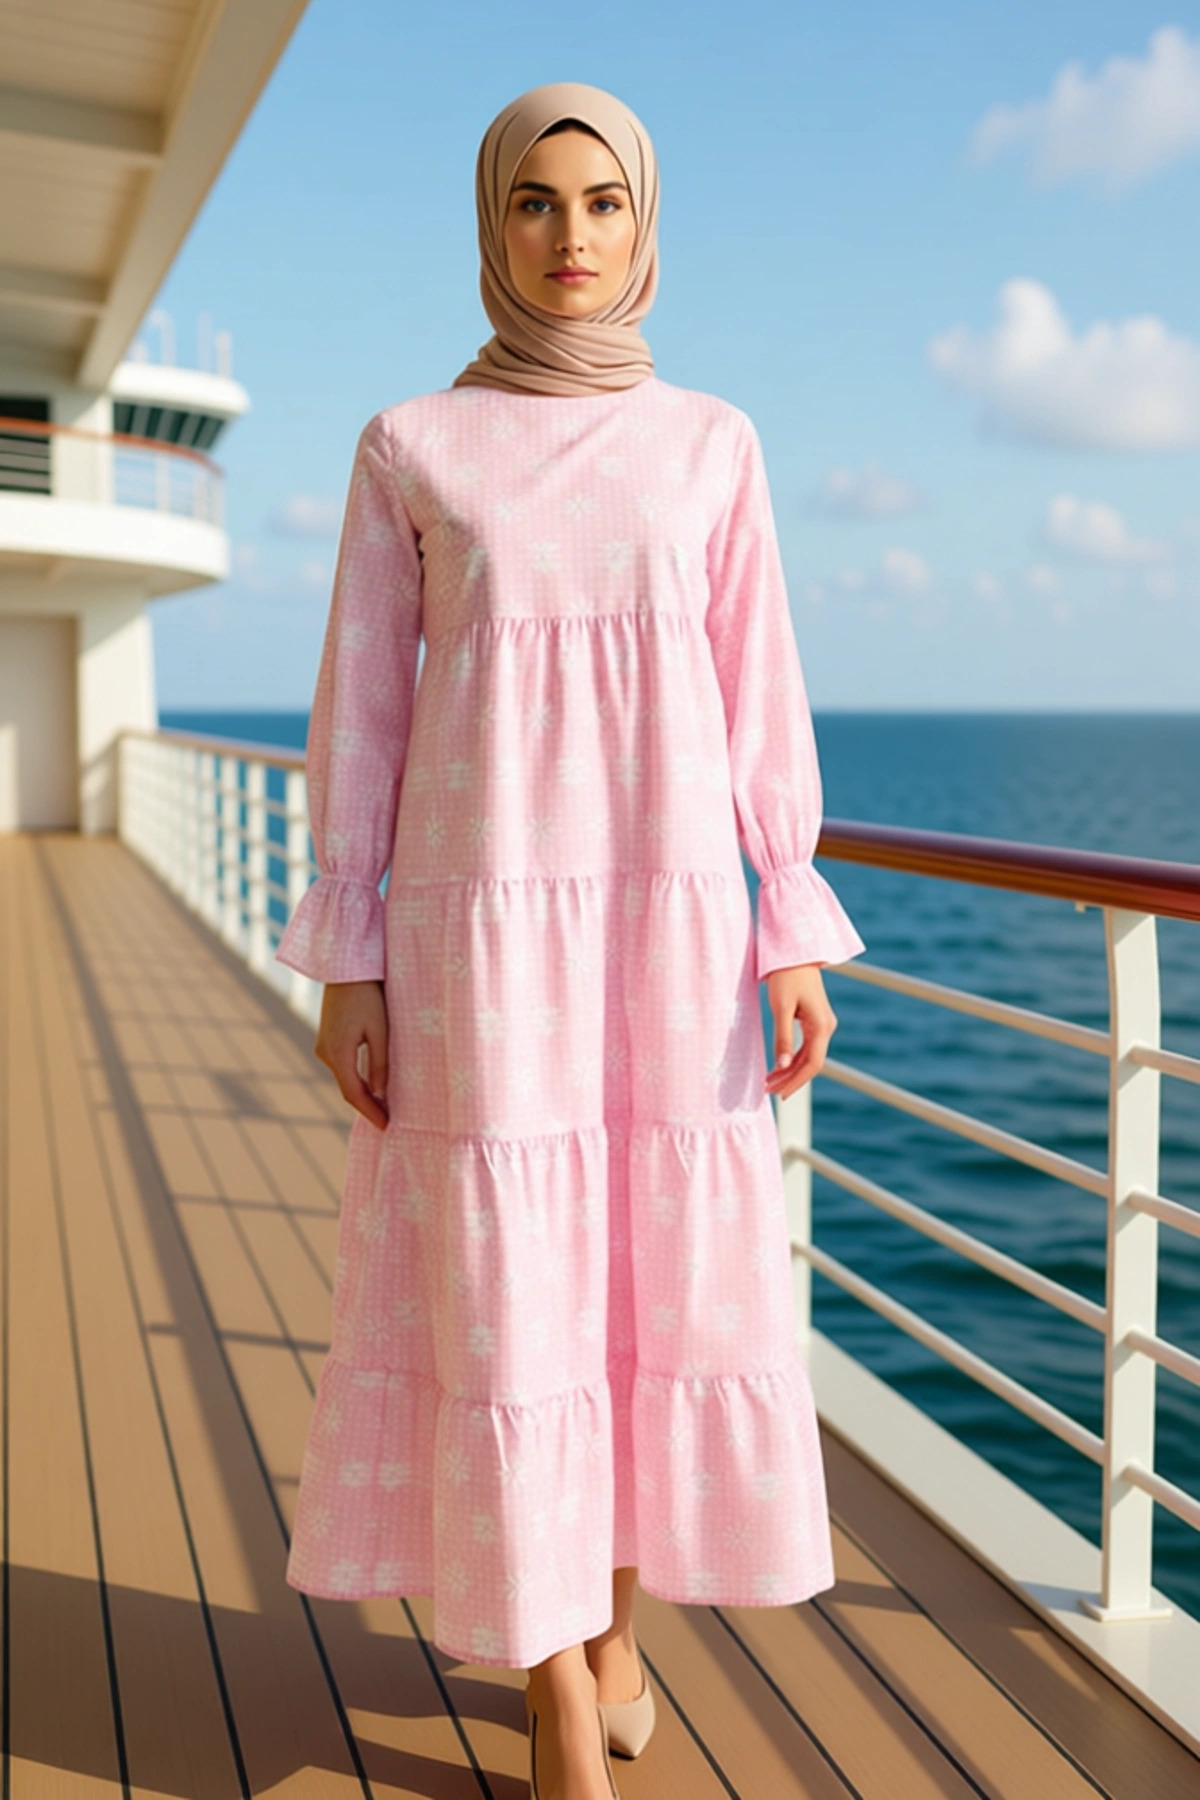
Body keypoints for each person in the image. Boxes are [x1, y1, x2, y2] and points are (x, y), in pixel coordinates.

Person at [276, 79, 866, 1800]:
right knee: (511, 1292)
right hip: (482, 937)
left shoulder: (713, 445)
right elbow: (364, 716)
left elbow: (758, 697)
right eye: (535, 202)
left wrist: (786, 926)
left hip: (674, 927)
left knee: (640, 1286)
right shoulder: (412, 445)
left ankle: (614, 1633)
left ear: (645, 222)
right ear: (492, 223)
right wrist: (351, 958)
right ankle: (551, 1691)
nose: (571, 236)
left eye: (603, 202)